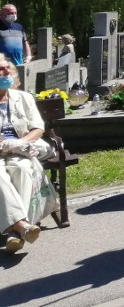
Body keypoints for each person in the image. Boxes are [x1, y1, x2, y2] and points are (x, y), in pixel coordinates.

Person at [0, 55, 51, 252]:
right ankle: (21, 226)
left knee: (21, 169)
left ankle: (15, 232)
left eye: (7, 69)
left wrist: (21, 142)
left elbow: (38, 128)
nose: (6, 73)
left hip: (20, 149)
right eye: (1, 70)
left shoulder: (24, 98)